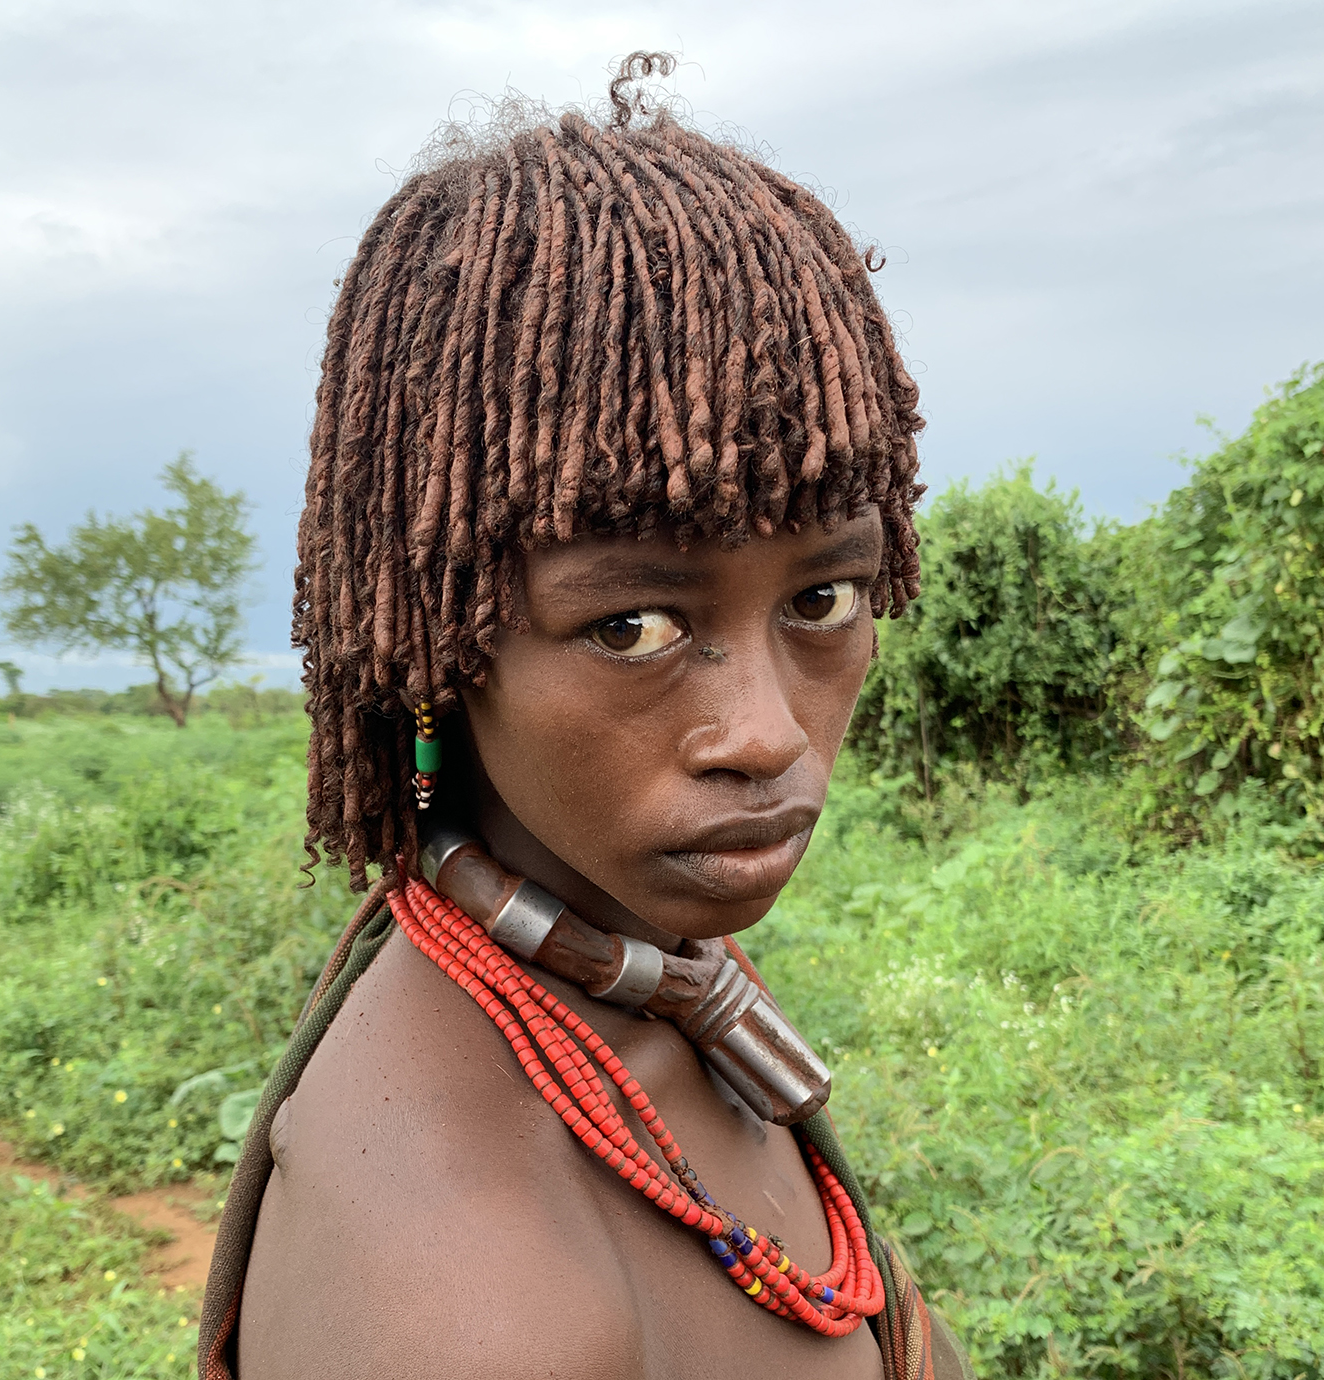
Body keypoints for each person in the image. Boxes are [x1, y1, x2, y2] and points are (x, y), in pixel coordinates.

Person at [200, 54, 971, 1380]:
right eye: (633, 627)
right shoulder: (465, 1301)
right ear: (436, 632)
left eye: (824, 597)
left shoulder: (648, 983)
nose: (767, 734)